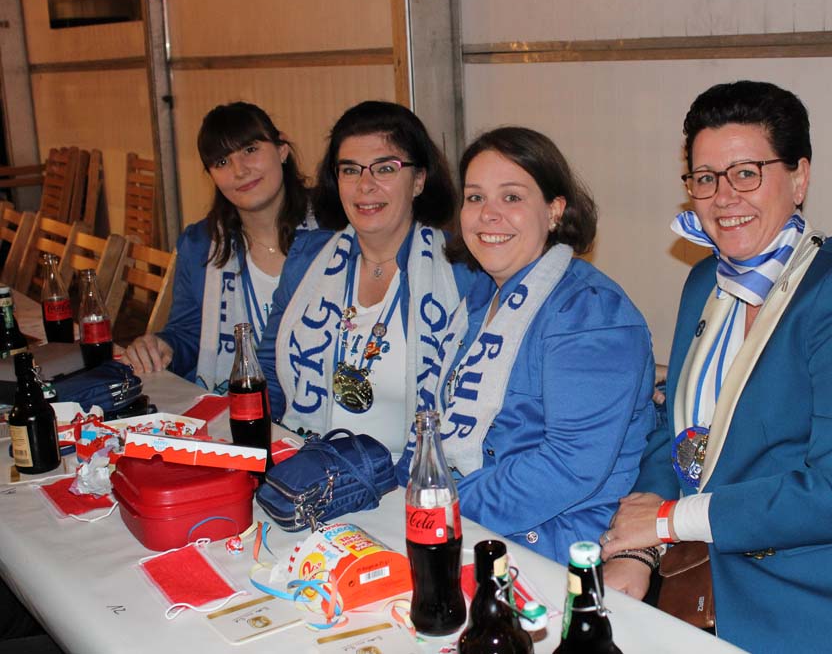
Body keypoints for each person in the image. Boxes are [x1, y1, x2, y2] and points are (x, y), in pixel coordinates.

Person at [600, 81, 832, 652]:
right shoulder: (705, 281)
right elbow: (679, 432)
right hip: (730, 571)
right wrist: (638, 547)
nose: (724, 197)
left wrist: (668, 522)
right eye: (705, 178)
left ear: (799, 179)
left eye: (747, 173)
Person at [395, 127, 655, 565]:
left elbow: (569, 466)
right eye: (475, 197)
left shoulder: (589, 313)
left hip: (548, 547)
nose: (488, 214)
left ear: (554, 210)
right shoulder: (479, 298)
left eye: (511, 197)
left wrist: (437, 506)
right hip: (471, 524)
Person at [258, 101, 476, 455]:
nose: (365, 185)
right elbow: (268, 370)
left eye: (385, 168)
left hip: (412, 476)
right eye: (350, 170)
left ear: (419, 180)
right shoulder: (307, 258)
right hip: (309, 464)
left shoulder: (463, 272)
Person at [123, 102, 323, 392]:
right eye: (221, 163)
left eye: (250, 150)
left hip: (322, 400)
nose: (239, 170)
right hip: (238, 403)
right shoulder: (200, 246)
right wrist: (162, 345)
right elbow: (189, 333)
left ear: (281, 149)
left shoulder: (334, 229)